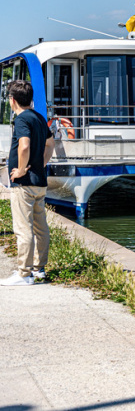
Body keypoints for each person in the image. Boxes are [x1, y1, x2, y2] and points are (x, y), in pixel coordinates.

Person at [1, 80, 55, 286]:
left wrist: (22, 169)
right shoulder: (39, 117)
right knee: (41, 227)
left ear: (12, 100)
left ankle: (24, 274)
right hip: (39, 182)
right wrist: (41, 163)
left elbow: (24, 146)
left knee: (23, 229)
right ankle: (38, 269)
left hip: (23, 184)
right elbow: (51, 143)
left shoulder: (22, 119)